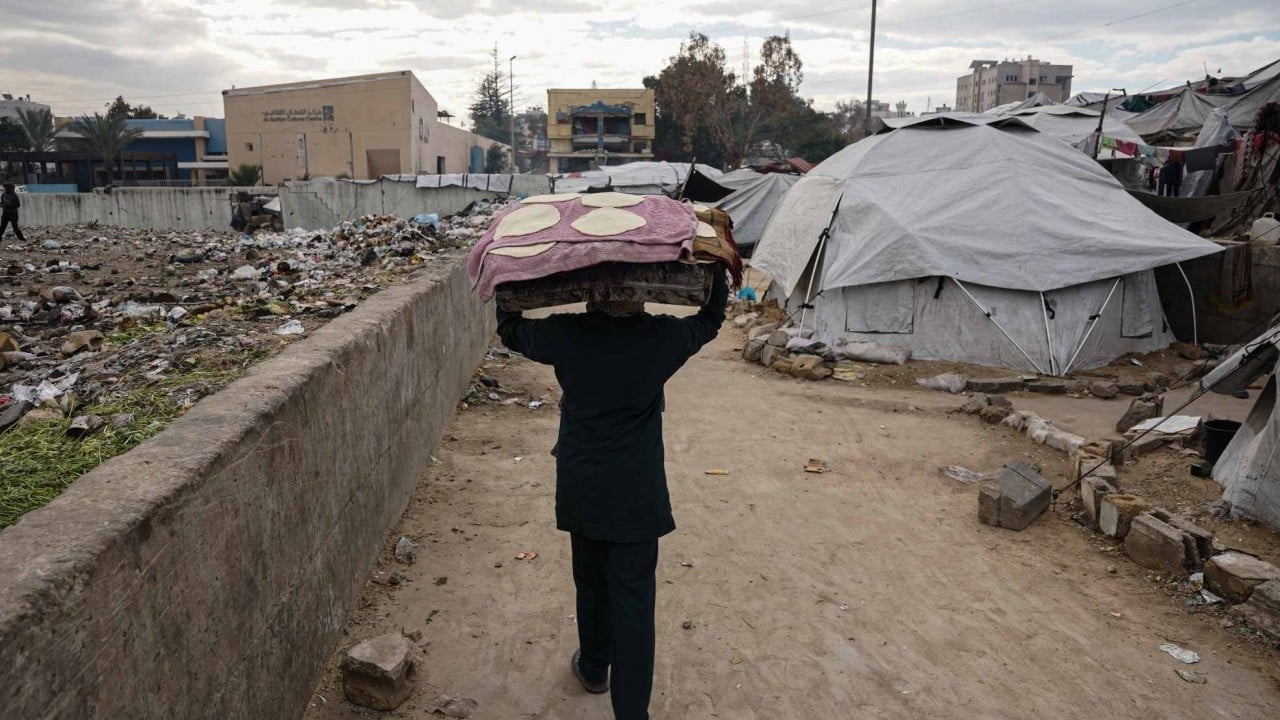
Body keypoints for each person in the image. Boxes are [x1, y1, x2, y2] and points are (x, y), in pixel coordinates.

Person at [496, 269, 729, 720]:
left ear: (590, 293)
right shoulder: (661, 339)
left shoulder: (567, 335)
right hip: (637, 495)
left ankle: (595, 666)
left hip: (583, 486)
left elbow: (510, 329)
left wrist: (509, 283)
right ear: (642, 294)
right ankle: (630, 712)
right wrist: (715, 273)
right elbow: (711, 320)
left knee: (590, 580)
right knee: (634, 601)